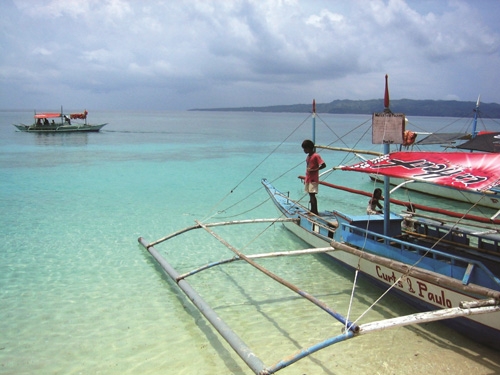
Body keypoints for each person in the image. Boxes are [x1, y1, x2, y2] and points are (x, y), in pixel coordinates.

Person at [302, 139, 326, 215]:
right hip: (308, 178)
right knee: (310, 194)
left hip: (313, 179)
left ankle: (315, 211)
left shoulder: (316, 156)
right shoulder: (308, 156)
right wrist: (306, 178)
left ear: (309, 148)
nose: (304, 150)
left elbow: (323, 165)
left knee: (312, 195)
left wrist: (315, 169)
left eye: (305, 149)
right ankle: (312, 210)